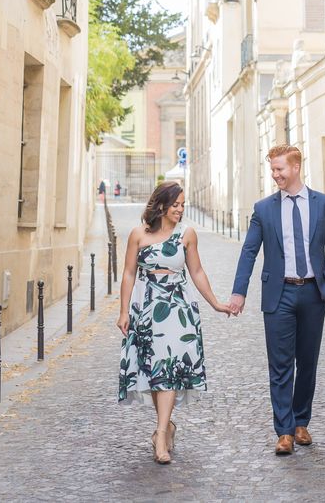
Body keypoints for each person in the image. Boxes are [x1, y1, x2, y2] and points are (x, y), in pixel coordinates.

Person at [230, 144, 325, 455]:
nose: (275, 174)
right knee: (280, 365)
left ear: (295, 167)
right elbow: (249, 251)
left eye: (279, 169)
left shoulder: (324, 205)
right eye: (273, 169)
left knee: (307, 362)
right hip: (278, 295)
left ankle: (301, 421)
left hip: (312, 293)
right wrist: (239, 291)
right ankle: (284, 431)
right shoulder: (264, 209)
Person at [117, 181, 231, 464]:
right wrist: (123, 312)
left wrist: (215, 303)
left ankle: (160, 438)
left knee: (168, 370)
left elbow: (197, 271)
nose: (180, 209)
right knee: (156, 372)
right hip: (146, 308)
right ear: (160, 205)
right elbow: (129, 273)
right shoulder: (137, 235)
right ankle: (165, 428)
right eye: (175, 204)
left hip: (178, 310)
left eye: (183, 204)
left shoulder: (187, 235)